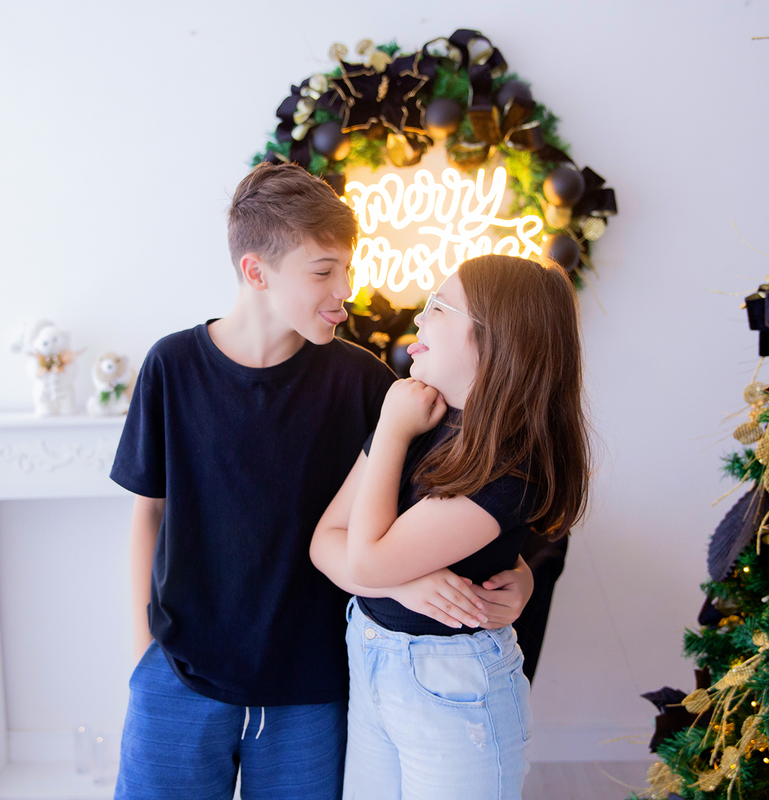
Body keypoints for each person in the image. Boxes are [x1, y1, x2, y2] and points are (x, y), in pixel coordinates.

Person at [109, 163, 535, 800]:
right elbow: (149, 513)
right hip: (179, 675)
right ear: (256, 272)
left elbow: (456, 497)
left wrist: (519, 574)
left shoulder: (366, 384)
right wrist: (145, 655)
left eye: (347, 267)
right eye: (323, 271)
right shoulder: (171, 366)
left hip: (315, 686)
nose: (346, 290)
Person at [311, 254, 591, 799]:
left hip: (452, 687)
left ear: (495, 339)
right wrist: (407, 583)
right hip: (372, 660)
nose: (419, 318)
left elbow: (361, 561)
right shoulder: (420, 418)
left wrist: (390, 429)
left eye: (439, 307)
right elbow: (326, 543)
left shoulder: (508, 467)